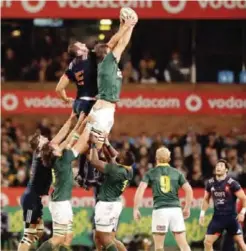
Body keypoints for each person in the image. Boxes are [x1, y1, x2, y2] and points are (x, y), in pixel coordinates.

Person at [75, 9, 138, 155]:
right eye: (109, 49)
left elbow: (116, 42)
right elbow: (120, 43)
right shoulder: (108, 62)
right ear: (106, 53)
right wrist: (129, 26)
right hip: (104, 110)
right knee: (95, 147)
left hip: (105, 109)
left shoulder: (105, 62)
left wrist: (126, 26)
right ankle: (82, 168)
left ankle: (82, 167)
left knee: (96, 146)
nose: (112, 48)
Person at [18, 115, 75, 251]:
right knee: (28, 235)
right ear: (38, 144)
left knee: (39, 232)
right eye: (42, 139)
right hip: (31, 198)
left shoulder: (44, 151)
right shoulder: (41, 153)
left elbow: (61, 136)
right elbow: (63, 137)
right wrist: (74, 123)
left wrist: (72, 118)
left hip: (35, 198)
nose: (45, 138)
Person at [133, 147, 193, 251]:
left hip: (160, 210)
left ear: (156, 158)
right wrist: (187, 208)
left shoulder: (151, 173)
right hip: (176, 210)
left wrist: (135, 209)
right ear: (169, 159)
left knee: (159, 247)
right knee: (184, 245)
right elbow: (189, 190)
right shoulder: (177, 173)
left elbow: (140, 190)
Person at [89, 134, 135, 251]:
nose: (118, 153)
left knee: (103, 237)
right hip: (114, 204)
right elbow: (114, 156)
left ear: (123, 160)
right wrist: (106, 143)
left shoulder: (115, 170)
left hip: (106, 205)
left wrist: (93, 144)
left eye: (121, 155)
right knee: (108, 238)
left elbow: (94, 161)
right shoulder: (129, 170)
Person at [199, 159, 246, 251]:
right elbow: (206, 199)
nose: (218, 167)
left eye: (221, 166)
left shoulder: (232, 183)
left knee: (240, 243)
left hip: (231, 218)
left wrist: (242, 213)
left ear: (226, 170)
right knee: (207, 242)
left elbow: (244, 198)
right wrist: (202, 214)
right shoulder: (210, 183)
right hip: (217, 218)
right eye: (217, 166)